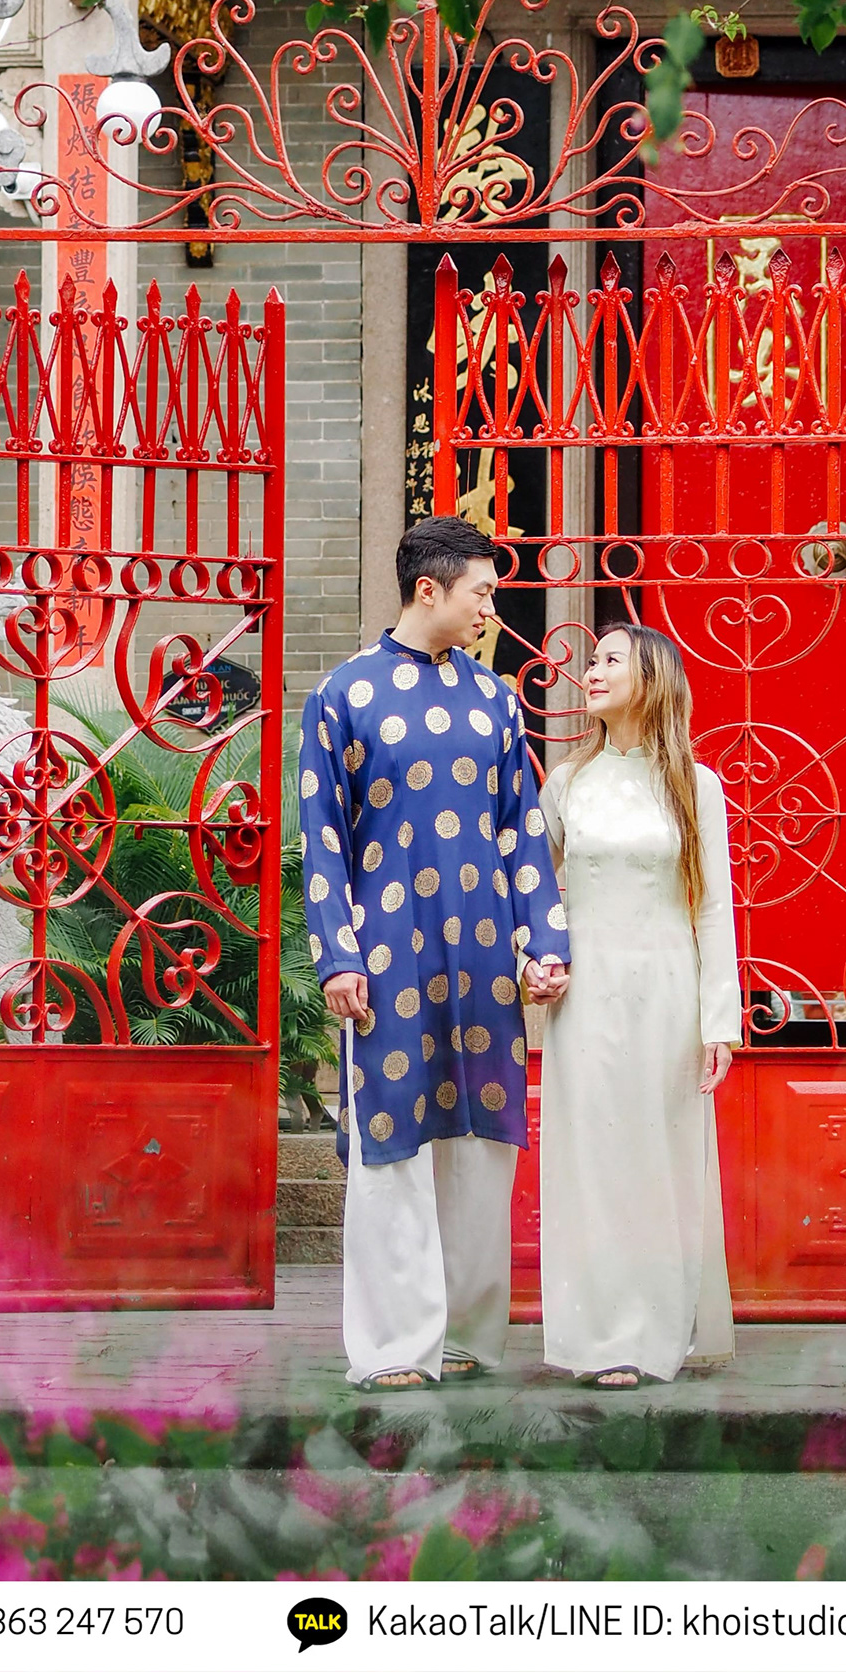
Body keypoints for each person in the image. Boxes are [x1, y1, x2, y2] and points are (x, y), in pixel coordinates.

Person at [298, 515, 570, 1389]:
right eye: (483, 591)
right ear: (430, 589)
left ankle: (468, 1336)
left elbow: (523, 833)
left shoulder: (493, 701)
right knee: (391, 1141)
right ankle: (390, 1349)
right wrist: (338, 956)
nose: (493, 607)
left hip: (486, 955)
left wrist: (545, 942)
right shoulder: (342, 694)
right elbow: (323, 840)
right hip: (386, 958)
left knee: (483, 1144)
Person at [537, 620, 740, 1387]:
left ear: (651, 678)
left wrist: (719, 1018)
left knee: (659, 1159)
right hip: (586, 996)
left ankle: (655, 1330)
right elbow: (535, 892)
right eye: (592, 661)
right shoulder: (566, 783)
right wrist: (538, 962)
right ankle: (597, 1338)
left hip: (666, 990)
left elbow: (712, 906)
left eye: (611, 661)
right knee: (590, 1158)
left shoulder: (695, 784)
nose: (593, 671)